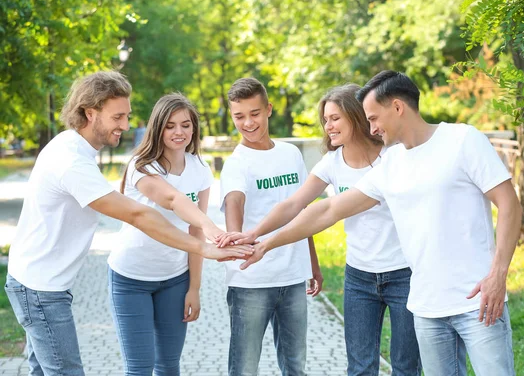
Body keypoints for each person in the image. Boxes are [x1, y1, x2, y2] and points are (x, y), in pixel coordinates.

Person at [236, 71, 522, 376]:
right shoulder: (393, 164)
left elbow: (509, 203)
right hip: (427, 308)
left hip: (477, 301)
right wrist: (265, 243)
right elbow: (327, 210)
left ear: (397, 107)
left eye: (373, 118)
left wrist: (498, 273)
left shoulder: (462, 139)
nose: (371, 127)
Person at [3, 71, 252, 376]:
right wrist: (206, 247)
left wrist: (210, 236)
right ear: (90, 113)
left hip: (45, 285)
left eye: (127, 115)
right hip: (40, 289)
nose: (125, 124)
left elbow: (177, 201)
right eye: (117, 116)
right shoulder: (72, 161)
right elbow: (140, 214)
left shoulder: (74, 149)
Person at [218, 84, 420, 375]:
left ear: (356, 115)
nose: (328, 126)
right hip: (359, 276)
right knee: (361, 367)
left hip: (404, 272)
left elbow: (326, 210)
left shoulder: (393, 156)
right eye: (326, 119)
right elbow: (294, 205)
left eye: (335, 118)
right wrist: (254, 235)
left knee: (405, 366)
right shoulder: (332, 162)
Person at [108, 93, 223, 375]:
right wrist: (214, 230)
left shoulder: (200, 169)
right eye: (170, 125)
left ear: (194, 128)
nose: (178, 132)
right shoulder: (142, 166)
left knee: (169, 365)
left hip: (175, 279)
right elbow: (172, 199)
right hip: (131, 279)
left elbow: (195, 230)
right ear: (157, 127)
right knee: (140, 368)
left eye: (185, 124)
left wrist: (194, 288)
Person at [220, 77, 323, 376]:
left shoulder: (290, 154)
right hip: (251, 281)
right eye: (239, 116)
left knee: (294, 367)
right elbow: (234, 202)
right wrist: (236, 243)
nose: (248, 123)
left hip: (291, 278)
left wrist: (312, 264)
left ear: (269, 109)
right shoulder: (237, 163)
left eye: (254, 113)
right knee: (244, 369)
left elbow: (302, 211)